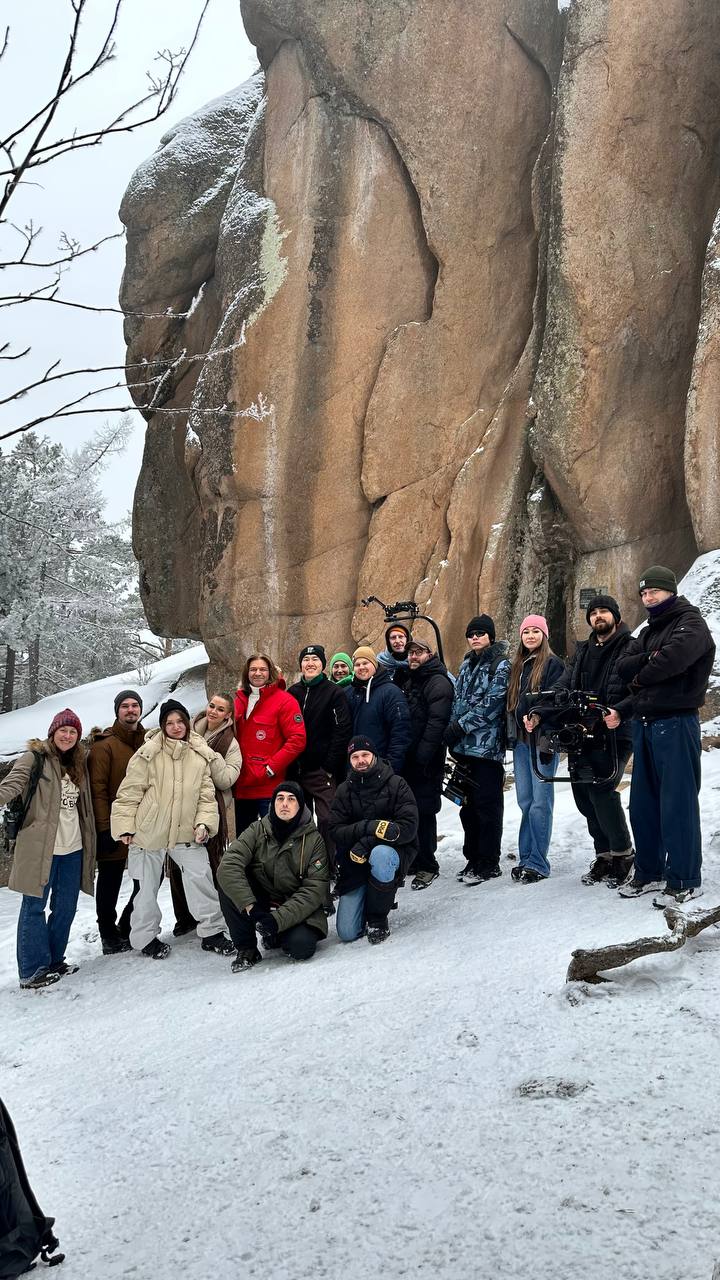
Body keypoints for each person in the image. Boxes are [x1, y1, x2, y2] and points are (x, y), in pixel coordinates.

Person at [615, 566, 715, 906]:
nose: (648, 597)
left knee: (678, 804)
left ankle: (685, 878)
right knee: (642, 804)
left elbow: (671, 661)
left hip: (676, 723)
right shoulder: (648, 631)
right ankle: (649, 871)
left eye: (653, 591)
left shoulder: (691, 624)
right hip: (644, 724)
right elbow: (623, 665)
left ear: (670, 590)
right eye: (643, 593)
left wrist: (642, 673)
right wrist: (646, 663)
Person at [110, 699, 233, 959]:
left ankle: (211, 932)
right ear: (163, 726)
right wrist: (125, 826)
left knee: (201, 878)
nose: (176, 727)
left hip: (185, 831)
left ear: (187, 724)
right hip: (148, 831)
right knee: (145, 888)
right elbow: (129, 792)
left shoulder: (197, 756)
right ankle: (144, 938)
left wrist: (204, 824)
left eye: (180, 722)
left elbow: (206, 796)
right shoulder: (147, 753)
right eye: (170, 723)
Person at [527, 594, 635, 886]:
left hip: (613, 731)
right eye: (594, 612)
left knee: (602, 791)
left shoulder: (629, 646)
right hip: (582, 732)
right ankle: (604, 855)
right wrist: (540, 710)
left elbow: (636, 687)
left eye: (604, 611)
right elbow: (565, 682)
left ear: (615, 615)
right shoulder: (583, 650)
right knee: (585, 797)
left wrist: (620, 712)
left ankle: (623, 854)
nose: (598, 616)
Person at [0, 709, 96, 989]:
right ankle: (31, 970)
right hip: (41, 847)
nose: (67, 736)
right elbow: (12, 785)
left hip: (74, 848)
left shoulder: (79, 762)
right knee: (34, 907)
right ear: (53, 732)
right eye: (63, 730)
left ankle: (54, 961)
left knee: (66, 907)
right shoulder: (35, 758)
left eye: (73, 732)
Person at [216, 781, 330, 971]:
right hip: (262, 900)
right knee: (229, 881)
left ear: (300, 806)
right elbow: (228, 865)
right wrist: (251, 907)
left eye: (291, 799)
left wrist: (277, 920)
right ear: (273, 803)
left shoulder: (314, 839)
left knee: (300, 947)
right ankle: (247, 949)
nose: (284, 803)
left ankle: (276, 932)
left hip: (295, 905)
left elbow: (313, 890)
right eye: (280, 798)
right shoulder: (257, 829)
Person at [329, 736, 418, 944]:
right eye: (355, 756)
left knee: (380, 855)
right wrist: (369, 828)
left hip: (390, 854)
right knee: (347, 932)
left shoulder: (396, 784)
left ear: (374, 756)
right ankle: (367, 897)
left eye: (365, 755)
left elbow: (407, 828)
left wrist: (368, 842)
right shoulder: (344, 790)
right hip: (354, 861)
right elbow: (335, 829)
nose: (361, 760)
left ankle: (378, 918)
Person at [443, 615, 510, 886]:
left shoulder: (500, 664)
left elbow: (493, 704)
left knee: (487, 807)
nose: (476, 638)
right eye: (472, 634)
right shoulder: (467, 663)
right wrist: (451, 731)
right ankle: (472, 857)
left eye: (481, 633)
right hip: (463, 750)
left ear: (490, 637)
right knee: (466, 808)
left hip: (487, 750)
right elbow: (457, 701)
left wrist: (460, 726)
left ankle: (489, 861)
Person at [168, 692, 242, 936]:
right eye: (212, 706)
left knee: (209, 863)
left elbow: (227, 779)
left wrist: (207, 753)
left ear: (228, 715)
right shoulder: (187, 728)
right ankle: (184, 917)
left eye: (221, 710)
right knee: (178, 865)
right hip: (179, 805)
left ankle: (218, 916)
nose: (214, 712)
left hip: (210, 806)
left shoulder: (230, 743)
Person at [506, 616, 564, 883]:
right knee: (525, 801)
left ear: (544, 634)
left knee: (541, 802)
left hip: (544, 740)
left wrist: (539, 715)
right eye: (526, 631)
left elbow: (557, 698)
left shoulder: (552, 664)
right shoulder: (517, 665)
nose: (530, 636)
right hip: (520, 741)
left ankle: (539, 862)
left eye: (535, 631)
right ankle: (526, 857)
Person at [88, 689, 145, 954]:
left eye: (135, 705)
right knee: (110, 881)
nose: (131, 710)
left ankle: (126, 925)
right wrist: (103, 828)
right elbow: (97, 789)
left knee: (144, 881)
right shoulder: (103, 746)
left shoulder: (148, 741)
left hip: (143, 825)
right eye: (125, 706)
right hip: (113, 826)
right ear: (117, 711)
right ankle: (108, 934)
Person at [287, 645, 352, 868]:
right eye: (306, 659)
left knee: (326, 819)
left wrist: (329, 765)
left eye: (315, 659)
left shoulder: (334, 692)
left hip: (321, 770)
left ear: (323, 664)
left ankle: (330, 865)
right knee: (300, 821)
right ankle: (305, 865)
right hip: (296, 769)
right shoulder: (292, 692)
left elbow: (341, 730)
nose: (310, 663)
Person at [398, 637, 454, 890]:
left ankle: (428, 864)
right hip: (409, 757)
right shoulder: (411, 679)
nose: (413, 657)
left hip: (426, 759)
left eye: (419, 652)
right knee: (410, 810)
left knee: (425, 810)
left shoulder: (437, 681)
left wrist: (422, 756)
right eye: (411, 653)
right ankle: (414, 859)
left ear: (429, 655)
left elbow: (436, 723)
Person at [233, 653, 306, 835]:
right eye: (253, 669)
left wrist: (271, 768)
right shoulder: (238, 700)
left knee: (273, 840)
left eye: (263, 669)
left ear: (270, 672)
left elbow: (297, 739)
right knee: (244, 841)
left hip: (268, 787)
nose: (258, 673)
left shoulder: (285, 701)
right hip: (241, 786)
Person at [344, 647, 412, 774]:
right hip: (352, 767)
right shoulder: (348, 692)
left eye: (365, 663)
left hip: (380, 767)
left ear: (374, 664)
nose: (361, 667)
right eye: (357, 664)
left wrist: (390, 767)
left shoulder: (391, 692)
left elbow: (400, 733)